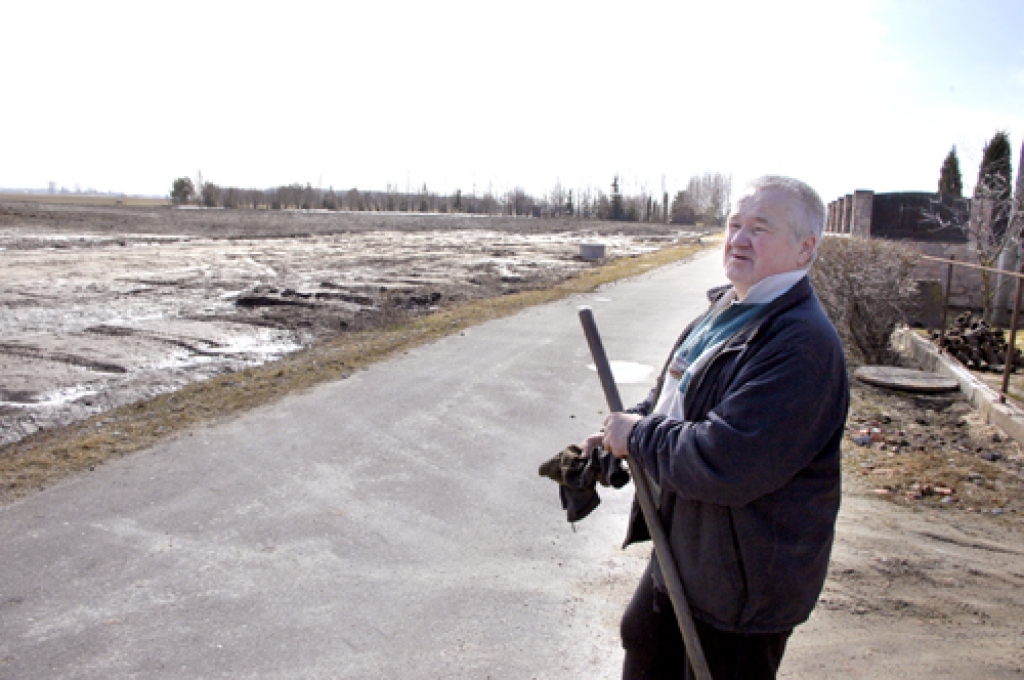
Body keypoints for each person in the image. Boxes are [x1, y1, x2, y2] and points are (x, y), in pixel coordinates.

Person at [587, 175, 849, 680]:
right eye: (734, 224)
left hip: (742, 584)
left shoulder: (800, 346)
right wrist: (618, 439)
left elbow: (728, 459)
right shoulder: (727, 310)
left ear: (804, 248)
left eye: (760, 228)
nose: (739, 239)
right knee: (642, 639)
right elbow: (673, 402)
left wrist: (638, 437)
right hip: (687, 550)